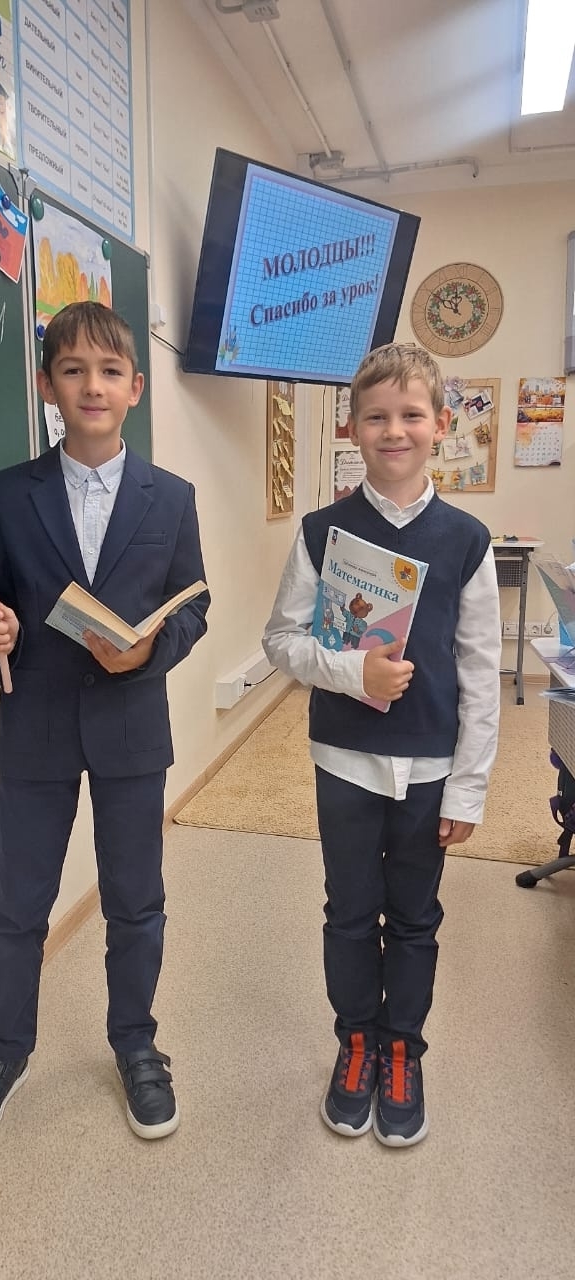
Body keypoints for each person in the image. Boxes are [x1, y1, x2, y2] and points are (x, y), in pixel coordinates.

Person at [0, 302, 209, 1150]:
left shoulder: (173, 497)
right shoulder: (6, 493)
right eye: (72, 370)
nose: (92, 385)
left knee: (136, 901)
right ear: (46, 385)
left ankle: (136, 1043)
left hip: (132, 727)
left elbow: (194, 605)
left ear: (135, 387)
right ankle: (4, 1050)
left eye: (109, 371)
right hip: (37, 726)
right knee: (17, 905)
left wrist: (154, 649)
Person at [263, 343, 500, 1148]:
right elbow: (281, 641)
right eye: (376, 417)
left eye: (410, 415)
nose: (393, 430)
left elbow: (479, 671)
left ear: (440, 424)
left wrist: (469, 787)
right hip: (346, 760)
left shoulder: (466, 539)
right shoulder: (322, 531)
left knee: (416, 916)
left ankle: (403, 1050)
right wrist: (349, 672)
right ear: (352, 427)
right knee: (349, 911)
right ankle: (357, 1041)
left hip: (431, 764)